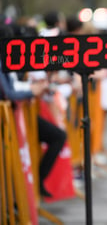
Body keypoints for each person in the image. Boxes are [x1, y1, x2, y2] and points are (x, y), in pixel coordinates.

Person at [0, 23, 67, 198]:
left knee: (58, 136)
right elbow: (8, 92)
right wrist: (32, 90)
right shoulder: (4, 60)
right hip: (10, 119)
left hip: (19, 116)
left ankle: (33, 186)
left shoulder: (11, 58)